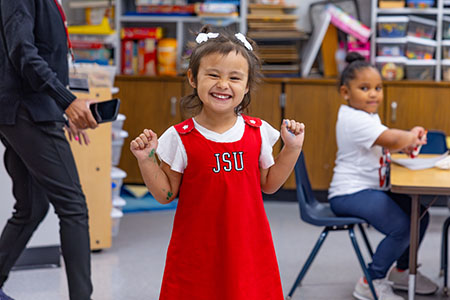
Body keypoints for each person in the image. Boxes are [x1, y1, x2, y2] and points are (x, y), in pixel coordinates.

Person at [130, 26, 305, 300]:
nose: (223, 85)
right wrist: (147, 159)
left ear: (246, 86)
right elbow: (165, 194)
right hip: (197, 249)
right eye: (213, 75)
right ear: (192, 77)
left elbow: (269, 184)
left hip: (246, 246)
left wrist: (292, 149)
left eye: (235, 78)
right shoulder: (180, 137)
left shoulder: (257, 132)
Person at [0, 1, 98, 300]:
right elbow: (23, 53)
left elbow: (42, 54)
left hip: (31, 111)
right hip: (27, 111)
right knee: (73, 207)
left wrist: (60, 107)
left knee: (31, 208)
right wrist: (65, 100)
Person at [328, 52, 438, 300]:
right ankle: (371, 280)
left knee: (419, 215)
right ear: (346, 93)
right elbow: (392, 138)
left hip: (369, 189)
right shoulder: (353, 119)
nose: (373, 94)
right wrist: (411, 136)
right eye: (364, 88)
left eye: (378, 88)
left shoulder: (367, 116)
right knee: (402, 227)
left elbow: (385, 142)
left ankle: (401, 271)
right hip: (349, 193)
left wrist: (405, 142)